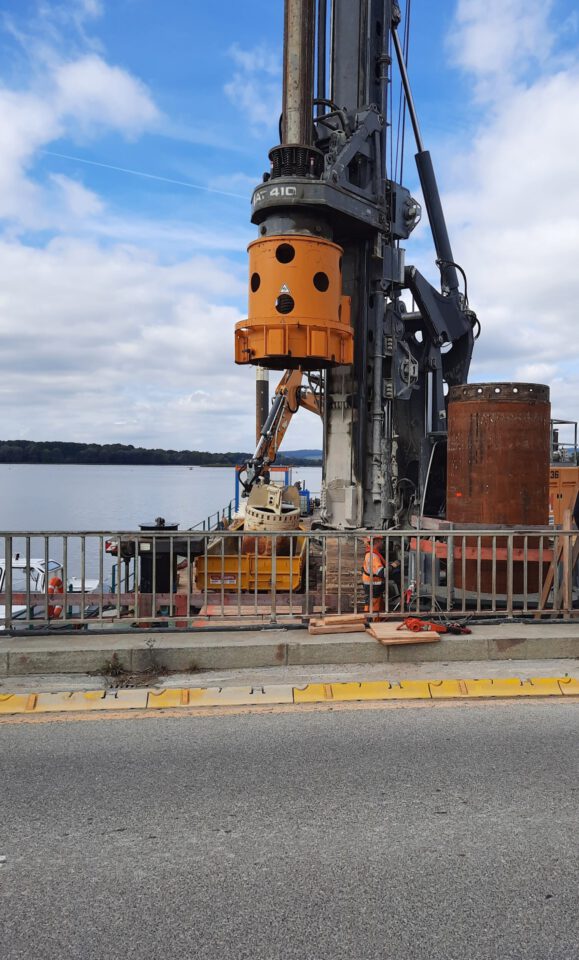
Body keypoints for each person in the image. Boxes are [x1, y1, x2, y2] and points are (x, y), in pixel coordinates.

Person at [362, 536, 401, 613]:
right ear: (376, 542)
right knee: (374, 605)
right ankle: (372, 622)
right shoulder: (373, 556)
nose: (382, 543)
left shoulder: (372, 553)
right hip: (373, 584)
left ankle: (373, 620)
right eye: (381, 541)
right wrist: (394, 565)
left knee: (374, 603)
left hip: (373, 583)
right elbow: (382, 573)